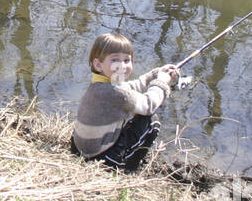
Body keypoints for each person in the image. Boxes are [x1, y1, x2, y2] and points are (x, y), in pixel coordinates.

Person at [71, 32, 178, 172]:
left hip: (79, 150)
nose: (122, 65)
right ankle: (127, 168)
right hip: (102, 160)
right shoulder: (116, 93)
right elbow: (149, 104)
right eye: (115, 60)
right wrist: (161, 83)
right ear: (98, 65)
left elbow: (132, 87)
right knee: (151, 120)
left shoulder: (99, 85)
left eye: (127, 60)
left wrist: (155, 74)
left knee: (131, 114)